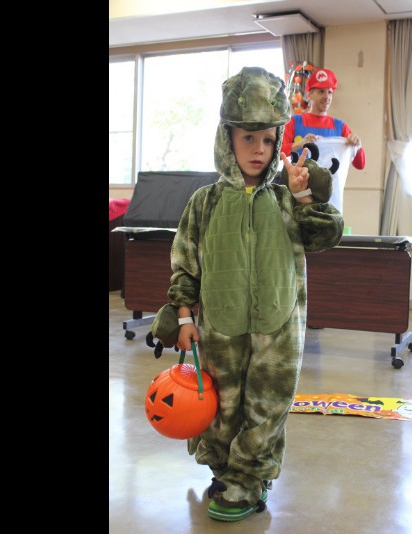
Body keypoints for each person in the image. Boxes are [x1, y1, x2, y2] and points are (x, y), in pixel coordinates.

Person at [162, 66, 344, 522]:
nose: (258, 150)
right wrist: (183, 317)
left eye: (267, 139)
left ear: (278, 140)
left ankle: (247, 479)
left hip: (279, 331)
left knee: (266, 407)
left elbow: (325, 236)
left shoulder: (287, 198)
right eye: (248, 138)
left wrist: (305, 198)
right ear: (228, 139)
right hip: (219, 328)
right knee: (222, 405)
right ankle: (226, 470)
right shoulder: (203, 202)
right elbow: (185, 264)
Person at [280, 68, 365, 213]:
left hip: (329, 201)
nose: (327, 96)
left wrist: (357, 144)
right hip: (297, 196)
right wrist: (298, 144)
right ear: (309, 94)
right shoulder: (294, 122)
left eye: (330, 92)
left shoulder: (340, 127)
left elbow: (360, 164)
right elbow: (277, 153)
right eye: (321, 91)